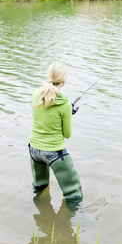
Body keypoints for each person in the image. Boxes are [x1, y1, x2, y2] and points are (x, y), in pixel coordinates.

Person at [29, 61, 83, 204]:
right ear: (64, 80)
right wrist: (68, 114)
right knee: (74, 194)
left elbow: (45, 114)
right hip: (54, 153)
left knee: (39, 187)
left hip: (34, 150)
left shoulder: (35, 94)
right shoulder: (64, 104)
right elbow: (67, 134)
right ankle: (78, 221)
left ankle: (33, 209)